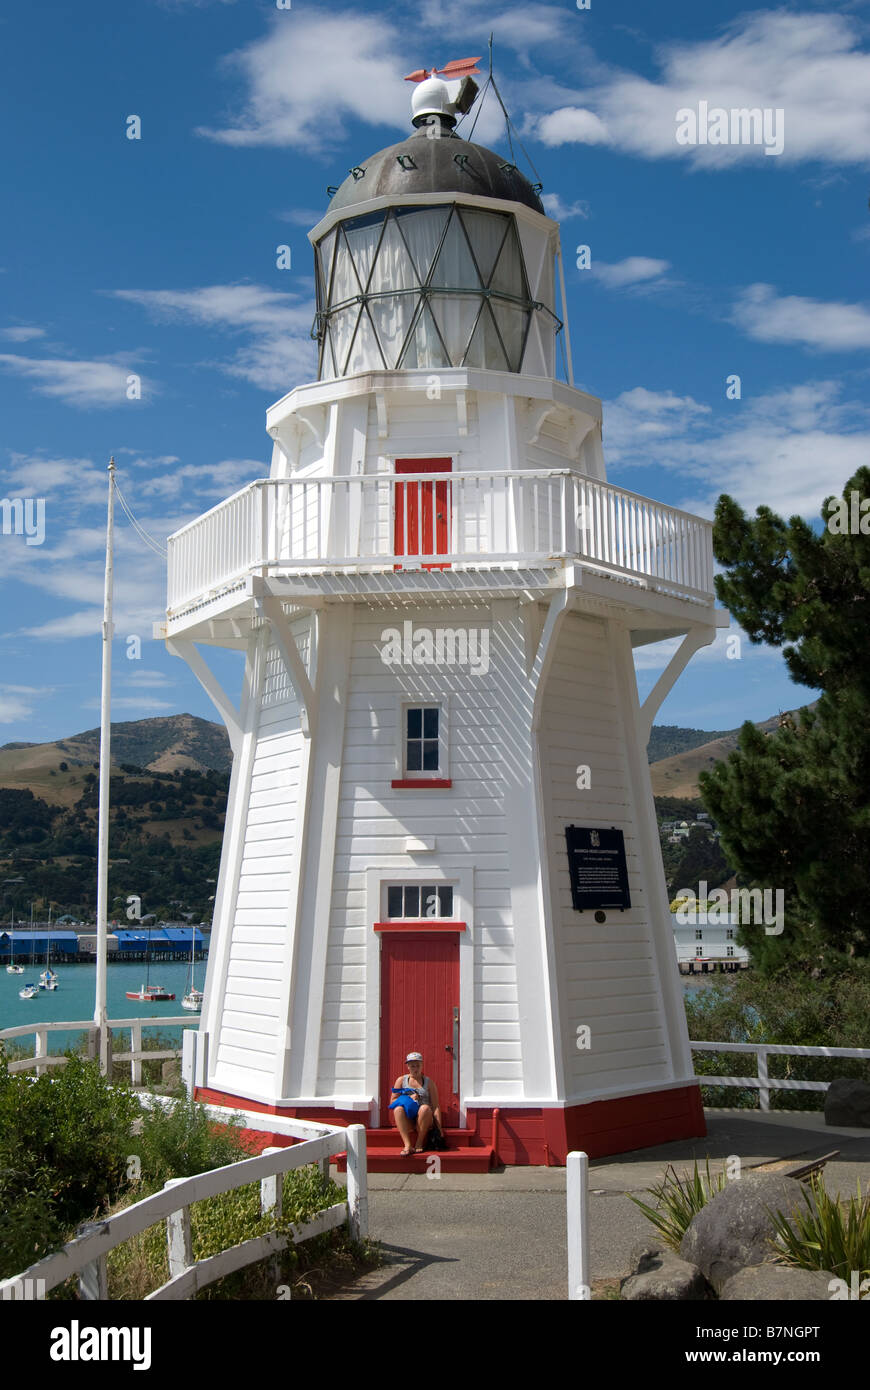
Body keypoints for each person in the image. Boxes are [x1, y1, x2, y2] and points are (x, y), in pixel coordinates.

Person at [388, 1051, 442, 1156]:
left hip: (425, 1118)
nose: (415, 1068)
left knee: (425, 1108)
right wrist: (408, 1098)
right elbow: (393, 1101)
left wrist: (440, 1129)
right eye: (412, 1066)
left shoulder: (429, 1082)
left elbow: (435, 1106)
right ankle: (407, 1145)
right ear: (408, 1066)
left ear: (422, 1066)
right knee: (398, 1109)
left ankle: (419, 1142)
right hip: (408, 1118)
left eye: (418, 1065)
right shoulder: (401, 1080)